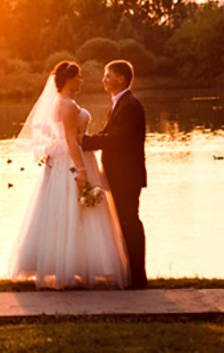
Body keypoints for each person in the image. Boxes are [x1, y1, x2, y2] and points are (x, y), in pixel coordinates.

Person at [8, 61, 129, 289]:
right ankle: (77, 266)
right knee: (77, 211)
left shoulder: (59, 103)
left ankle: (69, 264)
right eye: (79, 77)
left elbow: (63, 137)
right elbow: (72, 141)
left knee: (61, 210)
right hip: (73, 160)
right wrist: (81, 170)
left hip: (62, 159)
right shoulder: (68, 105)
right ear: (69, 79)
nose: (81, 81)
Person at [81, 59, 148, 289]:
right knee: (124, 222)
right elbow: (109, 134)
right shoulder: (119, 103)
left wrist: (83, 142)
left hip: (127, 176)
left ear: (120, 79)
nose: (103, 80)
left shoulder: (130, 105)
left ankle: (138, 277)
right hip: (119, 174)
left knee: (130, 222)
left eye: (107, 76)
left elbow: (118, 140)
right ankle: (132, 274)